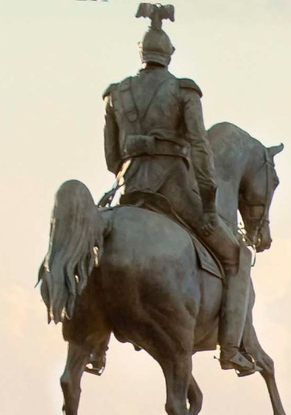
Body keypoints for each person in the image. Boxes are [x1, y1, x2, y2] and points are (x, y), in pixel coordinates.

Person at [104, 7, 254, 375]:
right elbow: (200, 147)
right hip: (173, 190)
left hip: (128, 188)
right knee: (238, 256)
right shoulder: (183, 91)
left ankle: (94, 345)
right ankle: (231, 349)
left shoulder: (116, 94)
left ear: (142, 54)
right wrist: (208, 199)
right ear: (168, 56)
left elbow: (111, 158)